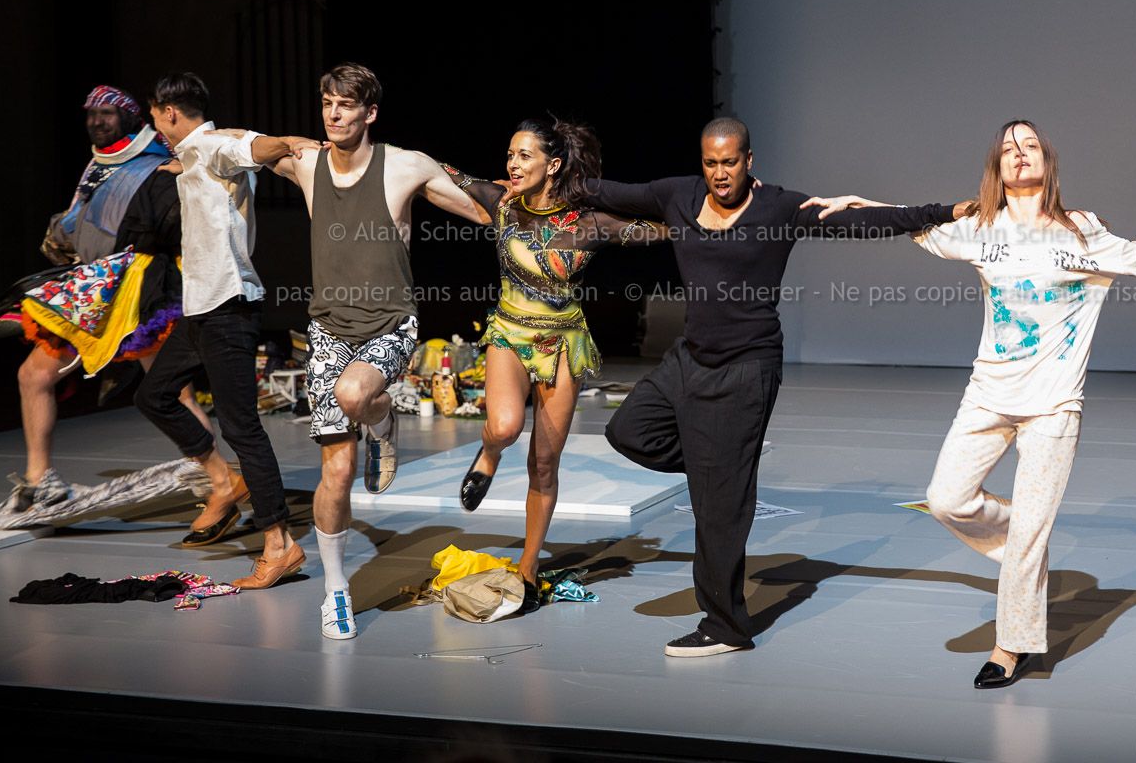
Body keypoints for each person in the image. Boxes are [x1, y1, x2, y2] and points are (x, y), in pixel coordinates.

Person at [840, 119, 1136, 688]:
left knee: (1030, 535)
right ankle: (1026, 538)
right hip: (987, 395)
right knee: (947, 499)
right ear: (996, 168)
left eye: (1029, 145)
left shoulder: (1081, 232)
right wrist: (860, 204)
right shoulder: (979, 230)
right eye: (1009, 148)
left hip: (1054, 404)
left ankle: (1011, 645)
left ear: (1047, 162)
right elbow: (912, 223)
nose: (1019, 153)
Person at [578, 117, 966, 657]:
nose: (719, 174)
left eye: (729, 162)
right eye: (710, 163)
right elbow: (604, 191)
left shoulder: (778, 208)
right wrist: (536, 179)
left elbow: (860, 222)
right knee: (628, 430)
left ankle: (726, 627)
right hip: (689, 359)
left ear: (749, 161)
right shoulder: (677, 195)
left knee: (717, 511)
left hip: (747, 367)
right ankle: (724, 470)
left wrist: (944, 211)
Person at [264, 62, 492, 639]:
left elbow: (482, 207)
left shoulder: (405, 165)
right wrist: (210, 147)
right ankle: (336, 589)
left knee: (353, 393)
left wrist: (542, 220)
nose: (333, 114)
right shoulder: (308, 163)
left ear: (370, 113)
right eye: (327, 103)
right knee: (338, 471)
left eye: (346, 104)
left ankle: (383, 417)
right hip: (328, 331)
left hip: (390, 324)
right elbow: (243, 146)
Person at [443, 118, 660, 608]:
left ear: (553, 164)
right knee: (503, 427)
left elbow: (657, 231)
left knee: (544, 462)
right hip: (509, 332)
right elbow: (442, 172)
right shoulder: (502, 203)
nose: (512, 164)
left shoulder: (588, 223)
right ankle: (490, 454)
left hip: (563, 342)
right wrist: (368, 152)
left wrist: (712, 217)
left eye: (524, 156)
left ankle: (528, 564)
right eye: (510, 154)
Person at [0, 85, 212, 517]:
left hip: (142, 289)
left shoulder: (157, 159)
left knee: (172, 392)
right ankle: (41, 481)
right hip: (93, 290)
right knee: (33, 376)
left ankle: (216, 479)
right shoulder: (99, 164)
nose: (96, 121)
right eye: (91, 114)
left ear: (131, 117)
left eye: (107, 113)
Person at [136, 72, 309, 581]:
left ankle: (279, 543)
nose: (156, 127)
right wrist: (182, 163)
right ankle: (224, 480)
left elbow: (255, 148)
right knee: (154, 396)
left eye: (155, 117)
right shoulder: (196, 152)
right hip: (201, 310)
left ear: (169, 111)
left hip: (228, 307)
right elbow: (206, 158)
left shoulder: (214, 146)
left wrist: (292, 142)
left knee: (241, 427)